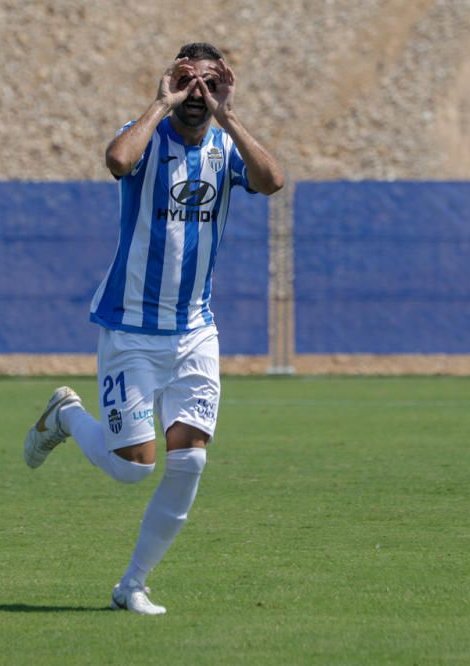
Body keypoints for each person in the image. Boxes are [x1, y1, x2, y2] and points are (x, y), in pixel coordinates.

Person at [23, 42, 284, 615]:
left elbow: (271, 181)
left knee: (190, 460)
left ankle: (132, 585)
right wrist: (159, 104)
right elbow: (117, 160)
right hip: (131, 330)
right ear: (170, 82)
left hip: (195, 331)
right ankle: (65, 414)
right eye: (188, 81)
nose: (198, 94)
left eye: (209, 83)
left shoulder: (225, 144)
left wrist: (230, 113)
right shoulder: (146, 135)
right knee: (132, 471)